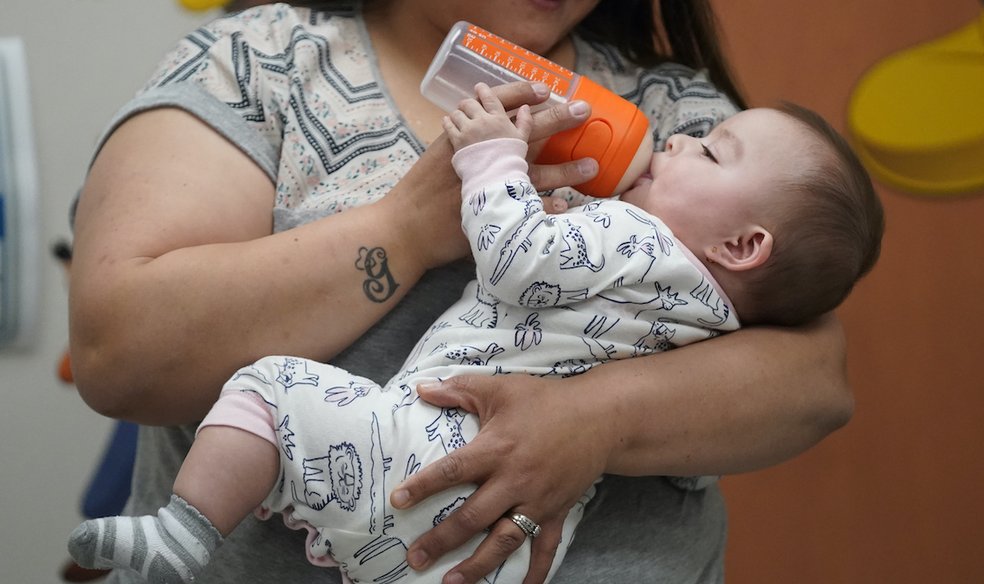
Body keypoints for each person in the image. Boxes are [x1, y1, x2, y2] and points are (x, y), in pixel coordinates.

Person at [67, 2, 859, 583]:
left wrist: (593, 421)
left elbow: (811, 382)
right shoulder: (259, 64)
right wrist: (408, 231)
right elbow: (119, 353)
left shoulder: (671, 122)